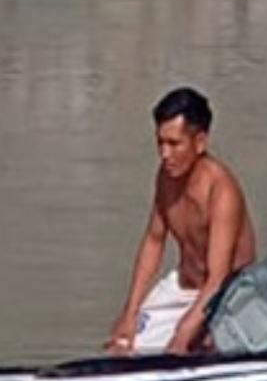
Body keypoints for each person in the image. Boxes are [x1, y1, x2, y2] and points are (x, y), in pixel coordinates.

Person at [105, 88, 258, 356]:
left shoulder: (222, 191)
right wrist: (129, 313)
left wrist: (184, 332)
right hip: (184, 285)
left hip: (227, 297)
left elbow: (218, 278)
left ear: (200, 142)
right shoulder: (166, 178)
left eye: (174, 144)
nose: (164, 154)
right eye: (160, 143)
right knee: (121, 345)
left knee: (188, 349)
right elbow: (153, 242)